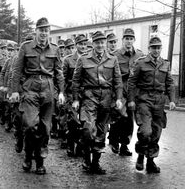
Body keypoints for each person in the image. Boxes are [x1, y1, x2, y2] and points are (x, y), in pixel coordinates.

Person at [10, 17, 65, 175]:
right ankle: (28, 156)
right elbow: (17, 70)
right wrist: (15, 90)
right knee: (30, 125)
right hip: (30, 88)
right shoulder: (26, 47)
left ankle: (40, 161)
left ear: (49, 32)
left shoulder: (55, 49)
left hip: (48, 88)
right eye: (41, 30)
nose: (43, 33)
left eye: (46, 31)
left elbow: (59, 73)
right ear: (36, 31)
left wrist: (61, 92)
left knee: (45, 128)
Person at [72, 31, 123, 174]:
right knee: (88, 129)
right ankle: (86, 158)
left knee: (101, 131)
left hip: (106, 98)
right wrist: (76, 99)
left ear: (105, 43)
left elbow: (118, 81)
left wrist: (118, 98)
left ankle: (95, 163)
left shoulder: (113, 59)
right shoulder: (83, 59)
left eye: (102, 42)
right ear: (93, 44)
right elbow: (75, 81)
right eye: (97, 43)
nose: (100, 45)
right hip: (89, 97)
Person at [127, 36, 176, 173]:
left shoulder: (165, 64)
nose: (156, 50)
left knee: (156, 132)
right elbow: (131, 82)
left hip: (159, 101)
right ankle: (141, 155)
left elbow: (170, 83)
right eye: (153, 47)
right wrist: (131, 100)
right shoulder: (140, 63)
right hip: (144, 99)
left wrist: (172, 100)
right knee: (145, 131)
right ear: (149, 48)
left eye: (158, 47)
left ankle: (150, 161)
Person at [109, 28, 144, 156]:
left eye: (131, 39)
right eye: (126, 39)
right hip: (120, 88)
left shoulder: (140, 55)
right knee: (119, 114)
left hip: (133, 90)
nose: (129, 41)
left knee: (130, 118)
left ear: (134, 40)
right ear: (123, 40)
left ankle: (124, 145)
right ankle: (114, 141)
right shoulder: (115, 55)